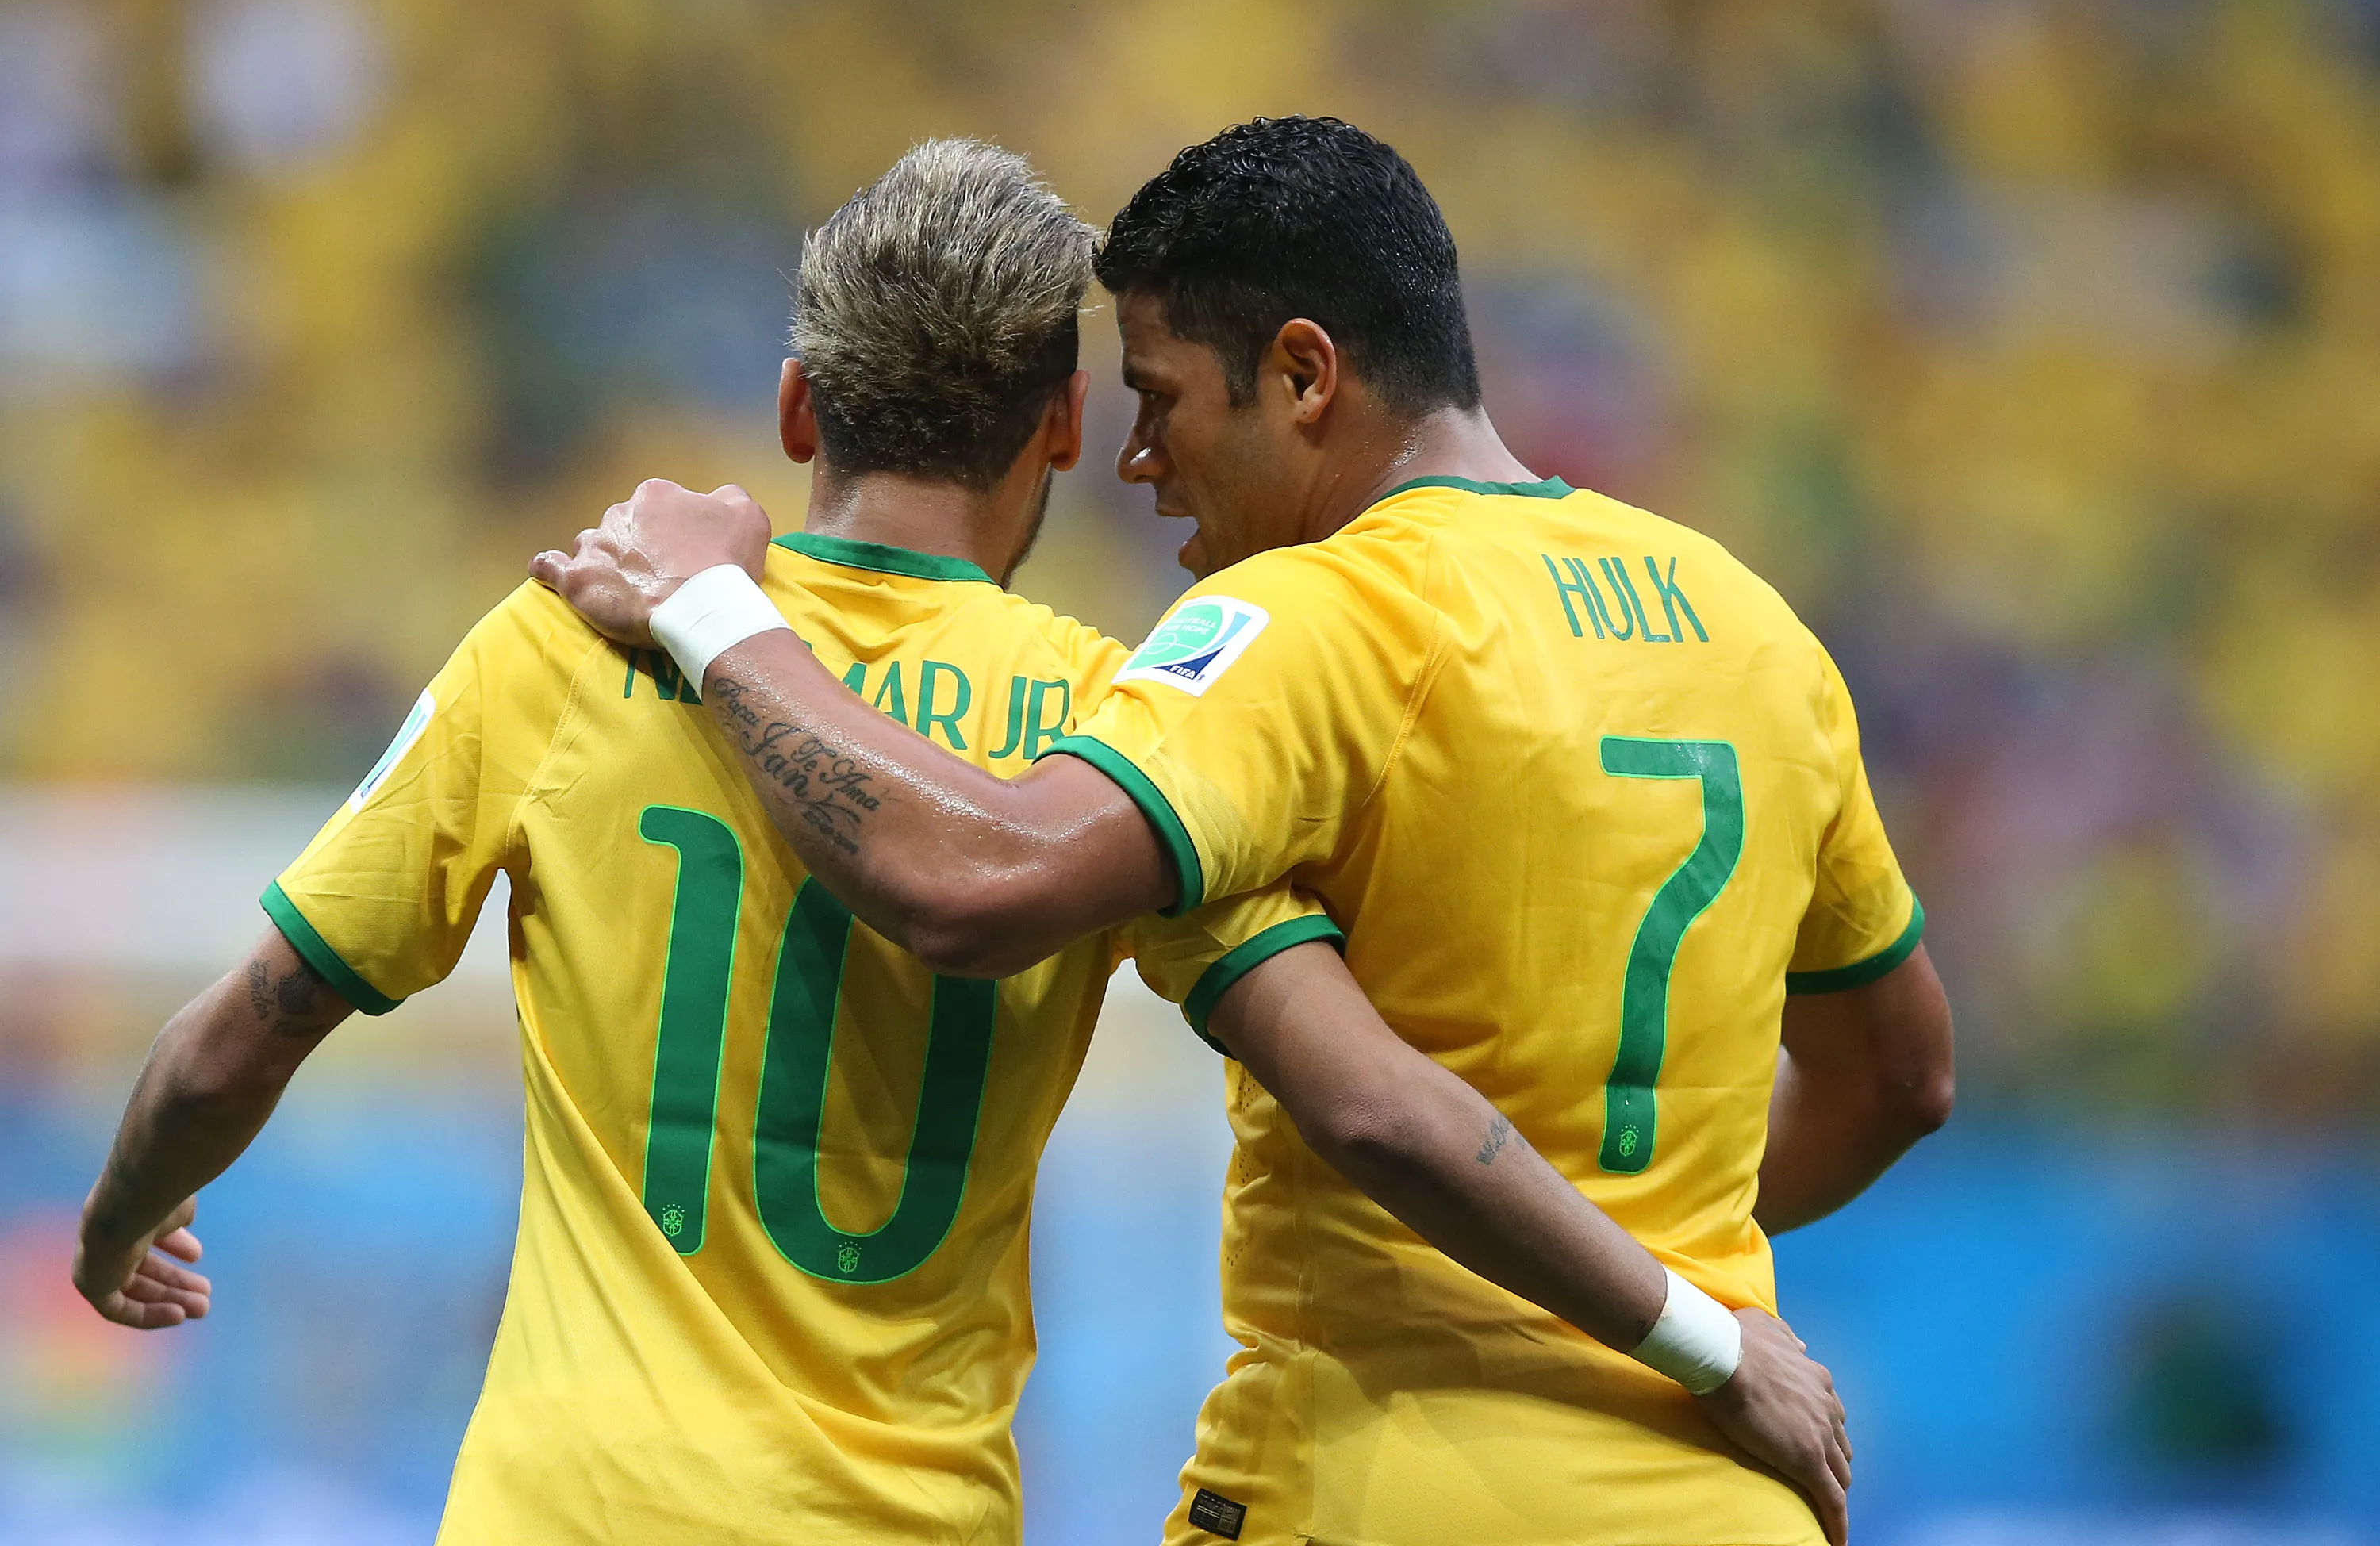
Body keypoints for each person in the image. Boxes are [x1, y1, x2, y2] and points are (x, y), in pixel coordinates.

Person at [74, 139, 1848, 1545]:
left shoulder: (562, 639)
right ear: (1064, 430)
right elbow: (1361, 1085)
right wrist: (1683, 1305)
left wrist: (119, 1226)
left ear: (795, 408)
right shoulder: (1115, 720)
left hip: (567, 1513)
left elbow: (244, 1031)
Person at [538, 117, 1956, 1546]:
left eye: (1160, 398)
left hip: (1380, 1483)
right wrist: (1633, 1268)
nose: (1139, 460)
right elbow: (1901, 1075)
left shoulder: (1309, 621)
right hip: (1722, 1495)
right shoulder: (1758, 633)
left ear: (1302, 374)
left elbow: (975, 878)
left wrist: (713, 614)